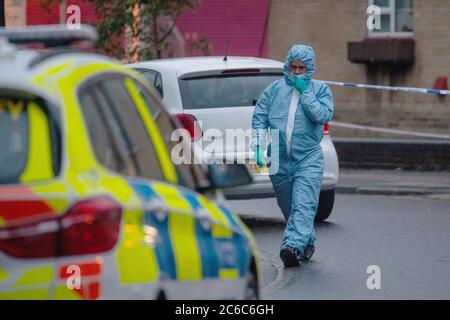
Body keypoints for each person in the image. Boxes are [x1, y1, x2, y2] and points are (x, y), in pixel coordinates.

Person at [251, 44, 334, 267]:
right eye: (293, 67)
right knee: (289, 207)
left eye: (302, 68)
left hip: (308, 157)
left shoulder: (320, 90)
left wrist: (305, 92)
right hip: (277, 157)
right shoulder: (274, 90)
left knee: (303, 205)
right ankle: (305, 243)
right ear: (287, 66)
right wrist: (258, 147)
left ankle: (291, 247)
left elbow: (322, 115)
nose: (297, 72)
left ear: (310, 69)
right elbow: (259, 117)